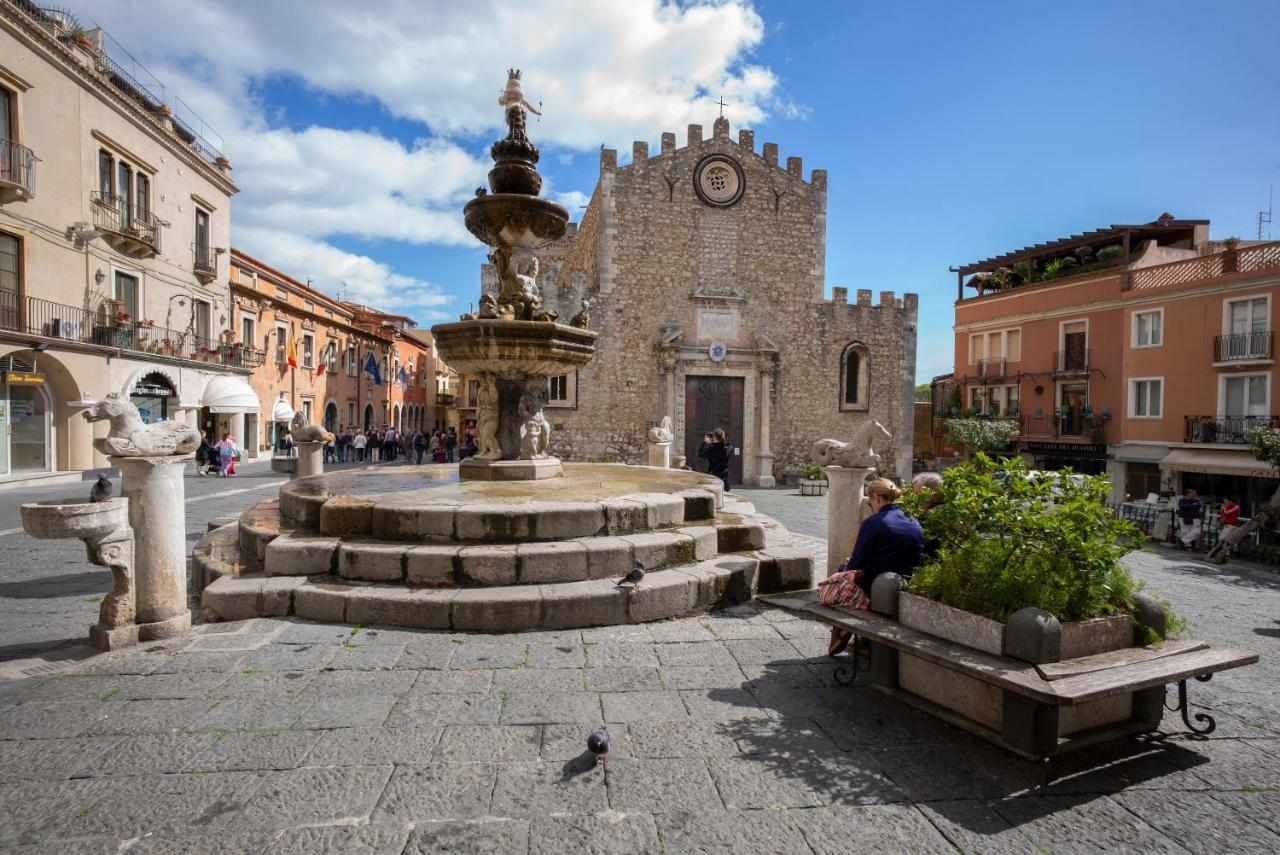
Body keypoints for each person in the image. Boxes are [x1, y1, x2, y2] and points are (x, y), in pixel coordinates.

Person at [828, 478, 924, 656]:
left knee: (844, 571)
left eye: (870, 501)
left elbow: (857, 563)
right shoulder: (914, 521)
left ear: (876, 498)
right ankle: (855, 636)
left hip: (877, 585)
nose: (870, 505)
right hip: (909, 580)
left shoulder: (874, 522)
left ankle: (840, 628)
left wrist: (846, 566)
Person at [697, 428, 734, 492]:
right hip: (725, 478)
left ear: (714, 437)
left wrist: (705, 442)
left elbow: (701, 455)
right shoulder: (728, 447)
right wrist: (714, 442)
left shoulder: (711, 449)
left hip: (714, 478)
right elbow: (725, 445)